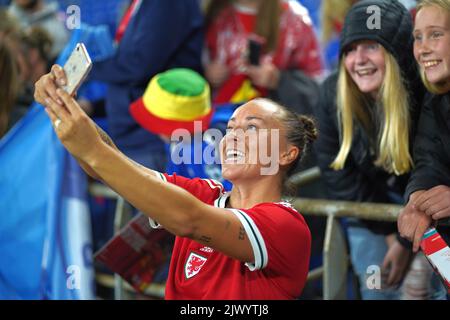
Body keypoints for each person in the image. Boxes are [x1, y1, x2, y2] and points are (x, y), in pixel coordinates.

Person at [35, 63, 315, 299]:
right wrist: (62, 109)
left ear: (286, 154)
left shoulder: (285, 226)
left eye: (251, 128)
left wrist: (92, 149)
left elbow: (189, 220)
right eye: (230, 128)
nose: (232, 137)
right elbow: (110, 166)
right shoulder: (206, 193)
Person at [314, 0, 445, 300]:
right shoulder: (332, 96)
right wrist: (391, 235)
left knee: (426, 291)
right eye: (350, 49)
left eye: (371, 46)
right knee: (377, 288)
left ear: (396, 53)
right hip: (371, 212)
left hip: (428, 208)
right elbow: (337, 174)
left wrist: (406, 240)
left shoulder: (428, 90)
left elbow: (434, 168)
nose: (358, 59)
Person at [85, 0, 204, 171]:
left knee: (151, 196)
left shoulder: (167, 4)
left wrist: (85, 68)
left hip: (151, 137)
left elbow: (140, 65)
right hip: (136, 135)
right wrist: (94, 107)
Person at [398, 0, 450, 252]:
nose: (422, 49)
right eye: (418, 38)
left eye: (436, 34)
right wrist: (418, 198)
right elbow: (429, 160)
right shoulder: (436, 97)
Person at [130, 68, 232, 190]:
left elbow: (230, 195)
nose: (157, 131)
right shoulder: (177, 142)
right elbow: (174, 184)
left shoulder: (210, 145)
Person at [204, 0, 323, 105]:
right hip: (220, 115)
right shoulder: (215, 13)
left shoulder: (294, 19)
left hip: (272, 120)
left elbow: (314, 86)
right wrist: (208, 73)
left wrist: (278, 79)